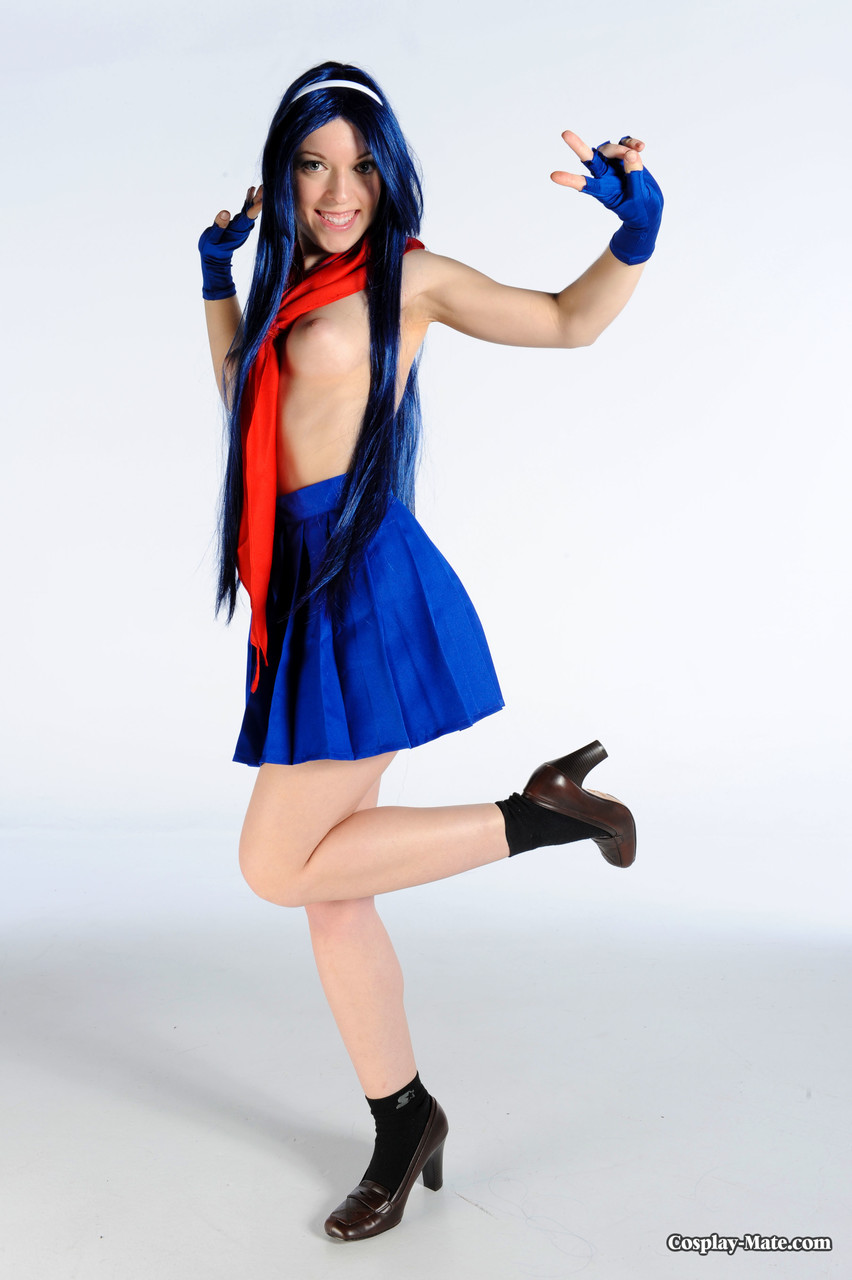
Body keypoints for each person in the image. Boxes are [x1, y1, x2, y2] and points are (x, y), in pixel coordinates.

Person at [198, 60, 662, 1242]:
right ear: (283, 174)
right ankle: (404, 1118)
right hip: (308, 591)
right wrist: (215, 283)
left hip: (363, 584)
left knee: (275, 862)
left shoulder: (409, 279)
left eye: (358, 167)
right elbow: (247, 407)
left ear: (388, 173)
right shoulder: (289, 289)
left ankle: (537, 816)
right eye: (314, 165)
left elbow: (566, 321)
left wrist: (637, 232)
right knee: (329, 890)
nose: (336, 191)